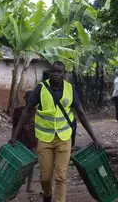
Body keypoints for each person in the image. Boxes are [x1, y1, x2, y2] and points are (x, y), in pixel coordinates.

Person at [10, 61, 102, 202]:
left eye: (59, 72)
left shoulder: (70, 89)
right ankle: (47, 195)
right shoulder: (41, 89)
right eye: (53, 71)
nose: (56, 74)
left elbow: (81, 115)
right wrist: (14, 136)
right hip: (44, 139)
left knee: (61, 176)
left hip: (64, 138)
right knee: (45, 177)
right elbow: (26, 112)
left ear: (64, 74)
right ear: (49, 72)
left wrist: (94, 138)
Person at [12, 90, 37, 192]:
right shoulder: (18, 111)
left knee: (31, 164)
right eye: (28, 97)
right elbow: (14, 126)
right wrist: (13, 138)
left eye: (32, 98)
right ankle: (17, 186)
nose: (30, 100)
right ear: (25, 98)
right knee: (19, 164)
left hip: (33, 141)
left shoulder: (37, 111)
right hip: (20, 141)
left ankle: (28, 186)